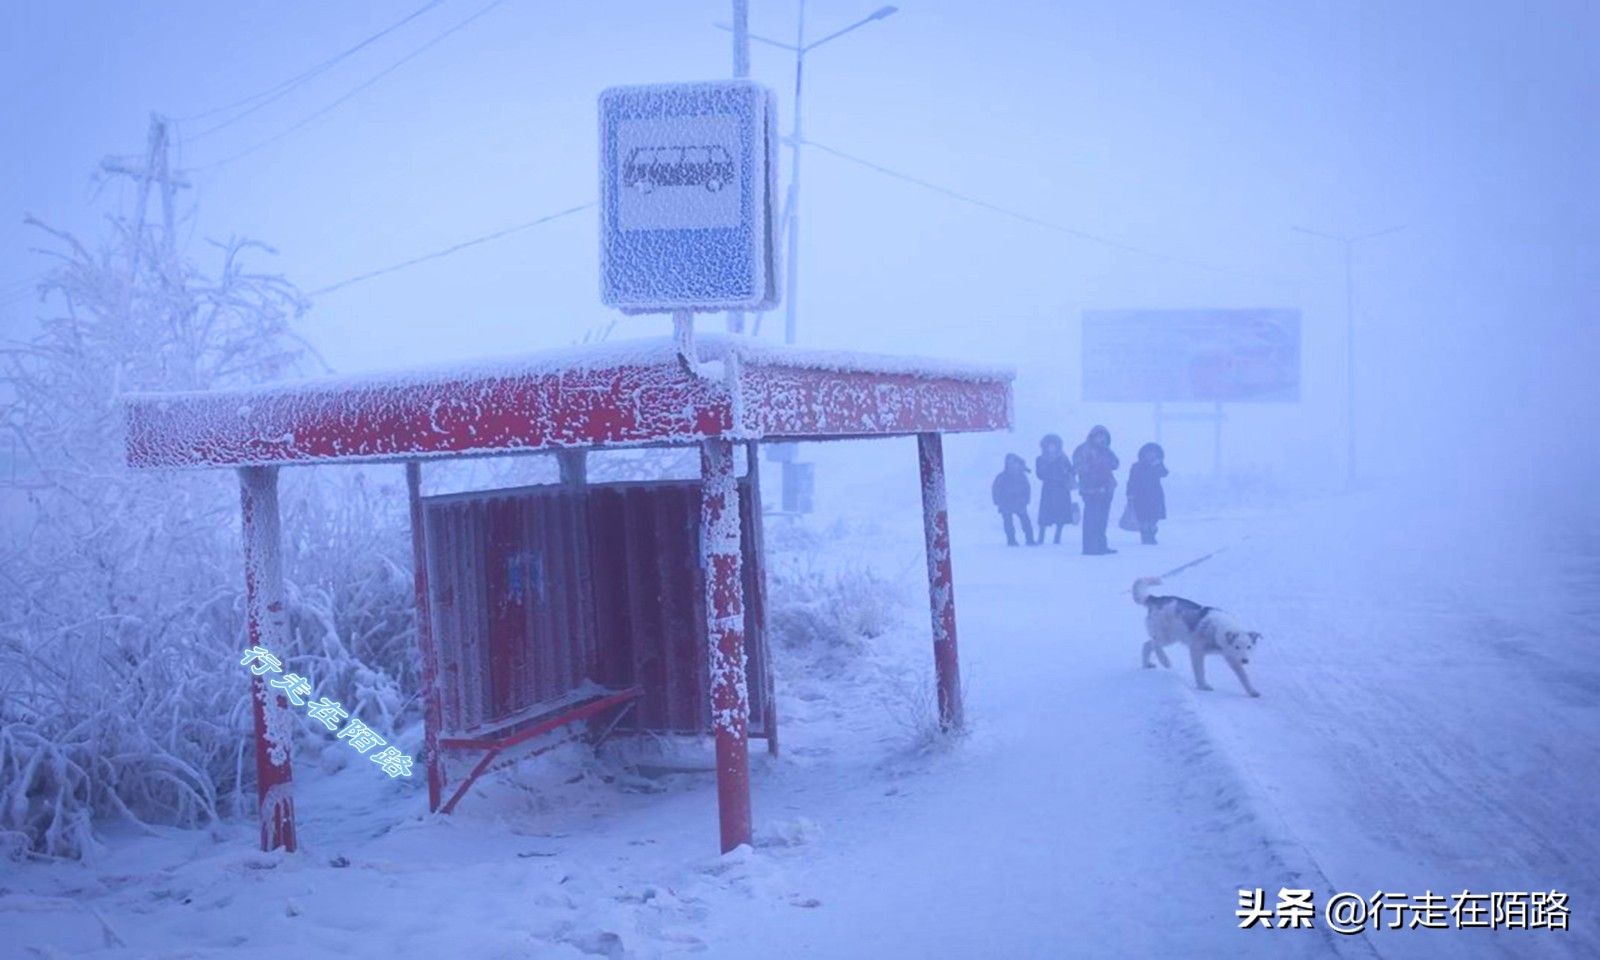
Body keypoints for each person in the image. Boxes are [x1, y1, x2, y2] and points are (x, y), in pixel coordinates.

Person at [1072, 425, 1120, 555]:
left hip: (1107, 489)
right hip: (1091, 490)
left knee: (1102, 520)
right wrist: (1093, 467)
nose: (1101, 439)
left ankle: (1101, 545)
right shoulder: (1083, 450)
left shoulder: (1106, 450)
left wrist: (1107, 454)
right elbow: (1077, 468)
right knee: (1091, 519)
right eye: (1099, 436)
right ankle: (1089, 547)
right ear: (1093, 437)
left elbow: (1116, 464)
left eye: (1104, 436)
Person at [1034, 433, 1076, 544]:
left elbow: (1071, 471)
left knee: (1061, 515)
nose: (1052, 448)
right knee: (1044, 515)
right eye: (1049, 445)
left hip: (1062, 489)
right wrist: (1050, 472)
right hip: (1048, 489)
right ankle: (1041, 537)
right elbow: (1039, 474)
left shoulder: (1063, 458)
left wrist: (1065, 473)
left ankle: (1057, 537)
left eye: (1054, 445)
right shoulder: (1040, 459)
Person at [1126, 442, 1169, 545]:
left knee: (1154, 518)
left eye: (1153, 454)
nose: (1150, 456)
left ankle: (1152, 535)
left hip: (1155, 495)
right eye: (1148, 453)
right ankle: (1145, 536)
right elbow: (1131, 481)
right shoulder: (1136, 466)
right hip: (1140, 496)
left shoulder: (1156, 465)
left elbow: (1164, 473)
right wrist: (1129, 494)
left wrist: (1158, 463)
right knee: (1143, 518)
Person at [991, 453, 1035, 546]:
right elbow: (996, 489)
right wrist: (997, 500)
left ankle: (1030, 539)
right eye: (1011, 463)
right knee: (1008, 523)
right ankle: (1011, 540)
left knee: (1025, 521)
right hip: (1005, 503)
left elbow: (1027, 489)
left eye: (1015, 464)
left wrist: (1026, 499)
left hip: (1020, 502)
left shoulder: (1022, 477)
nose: (1014, 466)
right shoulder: (1002, 476)